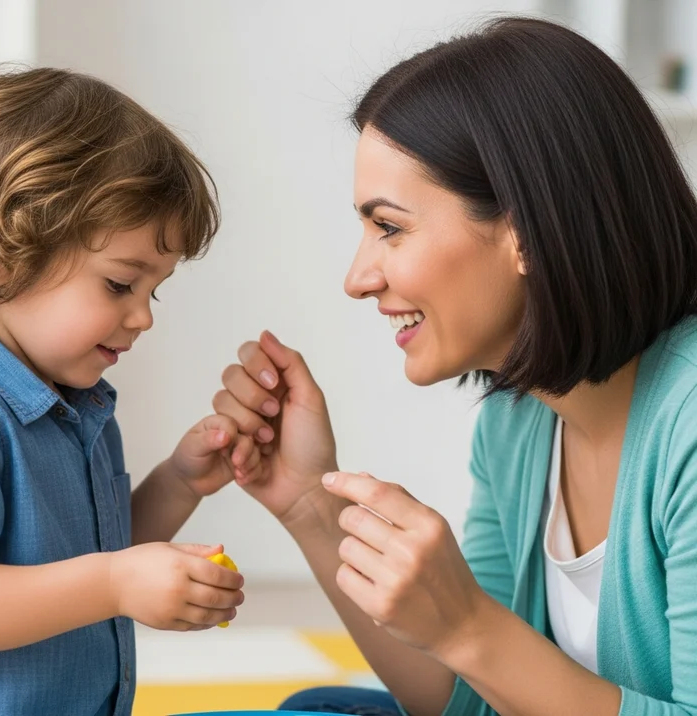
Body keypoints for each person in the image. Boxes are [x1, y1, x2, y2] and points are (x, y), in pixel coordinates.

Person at [215, 16, 697, 715]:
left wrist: (470, 626)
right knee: (322, 706)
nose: (357, 278)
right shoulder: (517, 424)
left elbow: (483, 651)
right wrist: (309, 500)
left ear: (527, 231)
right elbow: (470, 703)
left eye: (389, 228)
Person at [0, 66, 261, 716]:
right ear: (0, 254)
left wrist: (180, 481)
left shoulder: (75, 405)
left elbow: (91, 557)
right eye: (121, 284)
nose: (144, 315)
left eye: (155, 289)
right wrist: (117, 583)